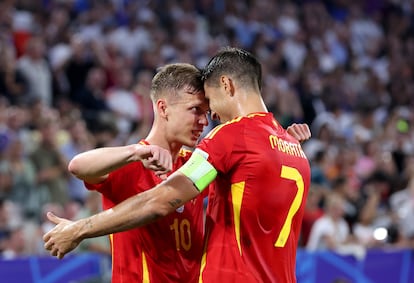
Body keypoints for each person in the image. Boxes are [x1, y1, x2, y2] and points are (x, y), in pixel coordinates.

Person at [44, 48, 311, 282]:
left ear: (226, 86)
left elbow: (238, 178)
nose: (208, 120)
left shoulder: (196, 162)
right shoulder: (136, 161)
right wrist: (134, 151)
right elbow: (78, 165)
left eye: (207, 110)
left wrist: (269, 143)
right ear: (163, 108)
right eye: (196, 110)